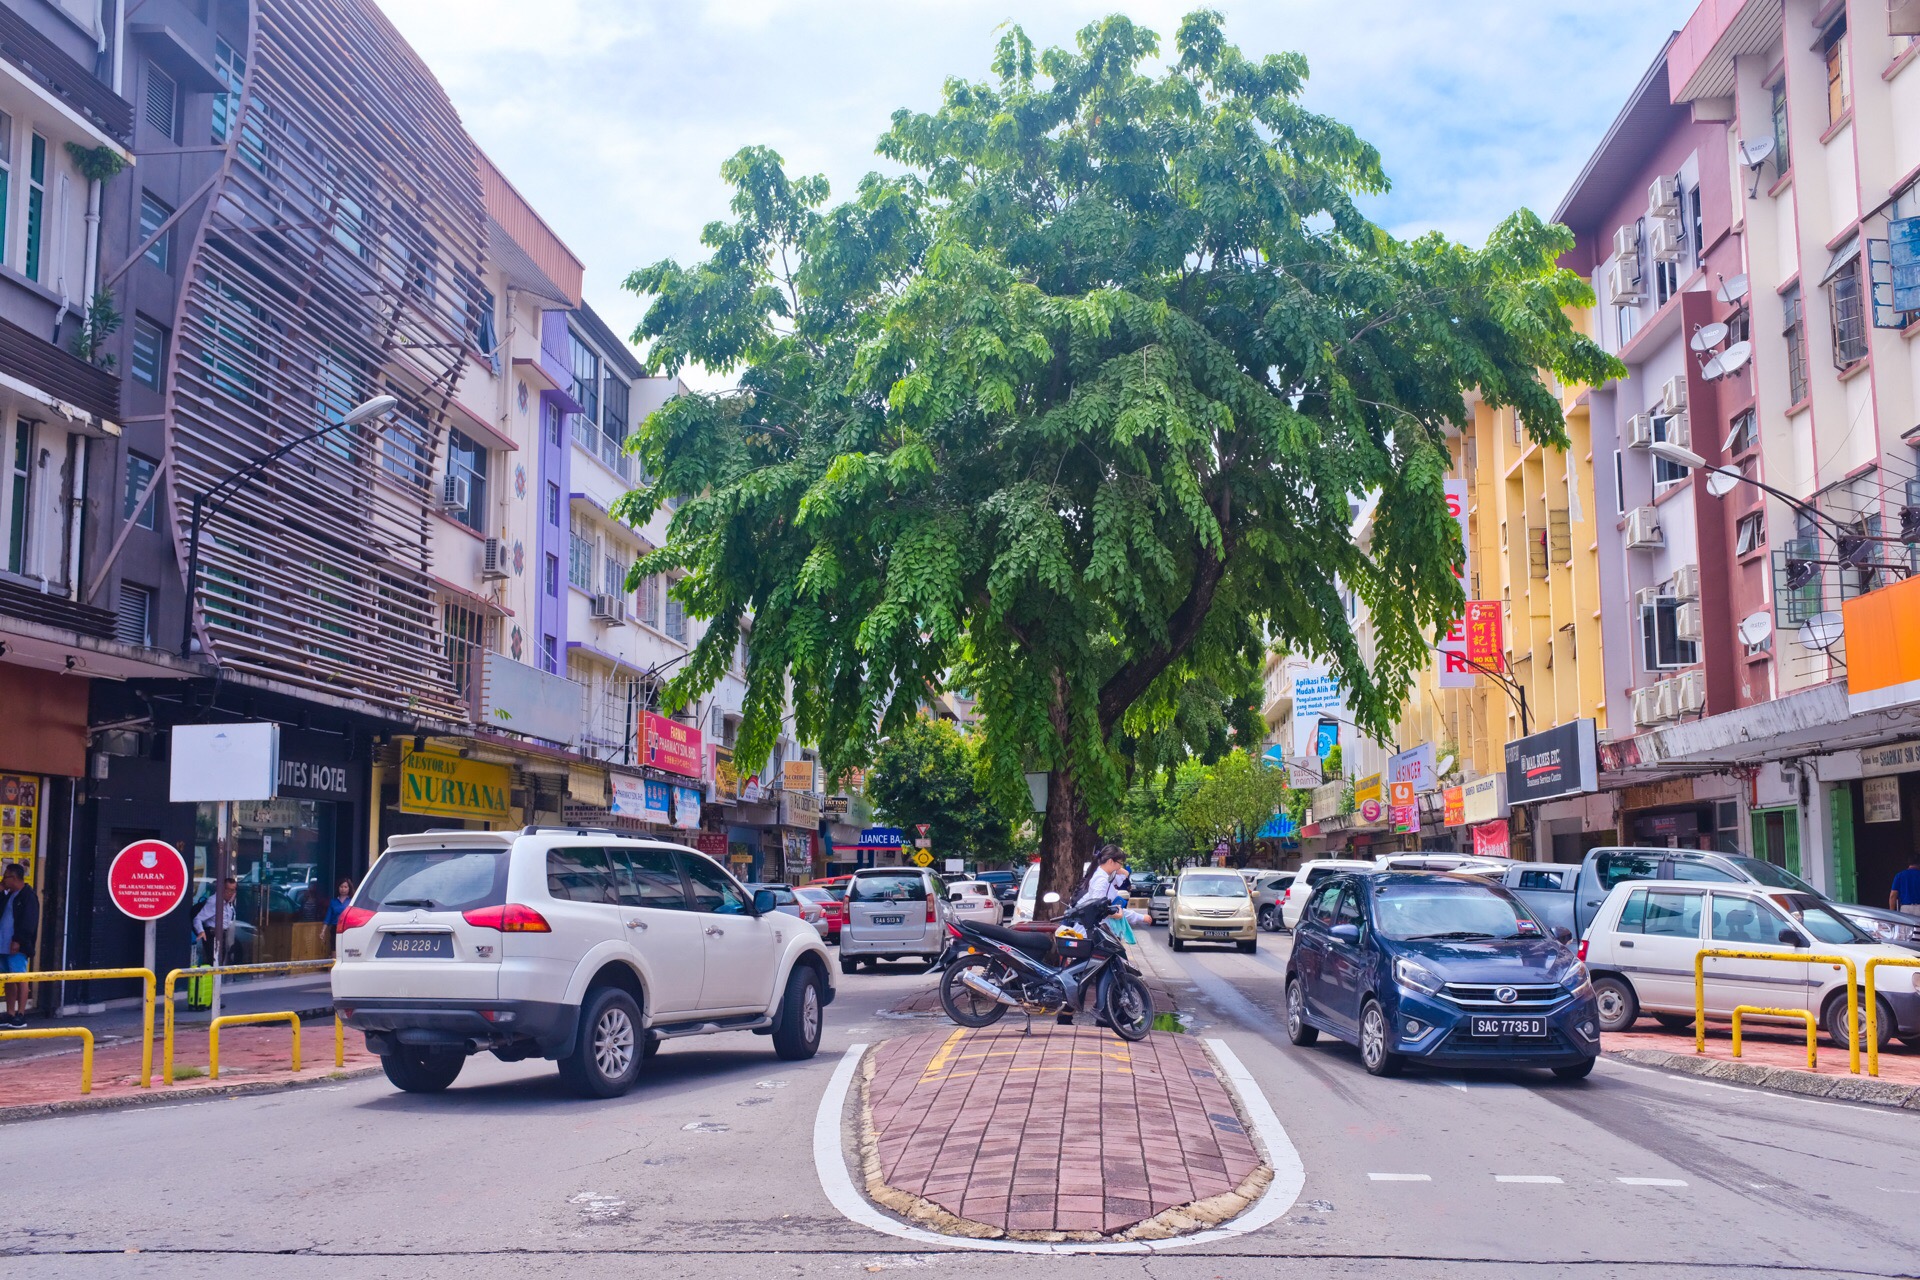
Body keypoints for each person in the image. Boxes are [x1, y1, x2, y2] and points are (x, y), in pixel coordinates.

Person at [0, 863, 38, 1028]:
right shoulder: (9, 895)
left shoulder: (28, 896)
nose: (3, 880)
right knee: (8, 978)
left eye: (5, 876)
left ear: (13, 877)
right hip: (3, 944)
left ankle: (21, 1014)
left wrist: (18, 940)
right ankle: (10, 1013)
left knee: (20, 978)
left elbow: (28, 922)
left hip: (17, 945)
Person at [195, 877, 239, 964]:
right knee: (213, 963)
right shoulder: (214, 901)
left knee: (220, 962)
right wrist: (201, 931)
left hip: (222, 935)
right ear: (222, 889)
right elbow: (198, 918)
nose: (230, 893)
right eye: (228, 890)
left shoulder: (227, 903)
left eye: (233, 890)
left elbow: (228, 920)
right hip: (212, 935)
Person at [323, 878, 355, 945]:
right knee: (334, 949)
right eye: (341, 887)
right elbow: (328, 918)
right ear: (338, 888)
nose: (343, 889)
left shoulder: (352, 901)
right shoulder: (333, 902)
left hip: (348, 929)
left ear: (349, 888)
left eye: (345, 887)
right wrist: (323, 931)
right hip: (335, 928)